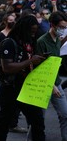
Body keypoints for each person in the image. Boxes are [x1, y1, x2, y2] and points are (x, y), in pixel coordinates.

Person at [0, 15, 46, 141]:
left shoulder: (29, 42)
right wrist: (30, 61)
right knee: (4, 122)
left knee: (38, 121)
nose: (33, 35)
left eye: (35, 32)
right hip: (11, 88)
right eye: (31, 31)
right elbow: (7, 67)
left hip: (27, 87)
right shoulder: (9, 42)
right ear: (23, 29)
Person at [37, 11, 67, 141]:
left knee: (65, 114)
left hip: (56, 82)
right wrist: (51, 85)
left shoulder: (58, 41)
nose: (63, 30)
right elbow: (38, 68)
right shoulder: (41, 41)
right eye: (61, 27)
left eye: (65, 27)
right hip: (44, 84)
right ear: (52, 25)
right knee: (38, 119)